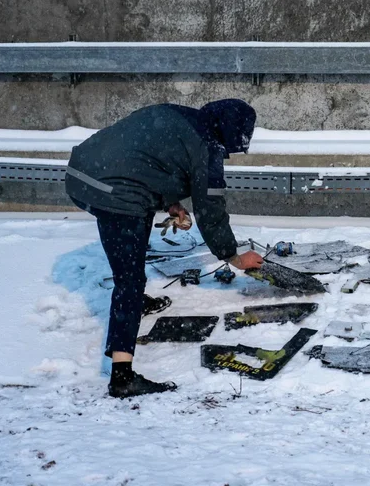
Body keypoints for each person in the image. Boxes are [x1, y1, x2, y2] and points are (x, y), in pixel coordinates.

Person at [65, 99, 264, 399]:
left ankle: (132, 305)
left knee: (133, 223)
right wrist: (234, 257)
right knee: (129, 279)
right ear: (230, 132)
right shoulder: (207, 148)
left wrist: (170, 202)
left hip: (81, 173)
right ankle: (122, 377)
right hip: (113, 189)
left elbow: (145, 160)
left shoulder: (180, 117)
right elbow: (211, 211)